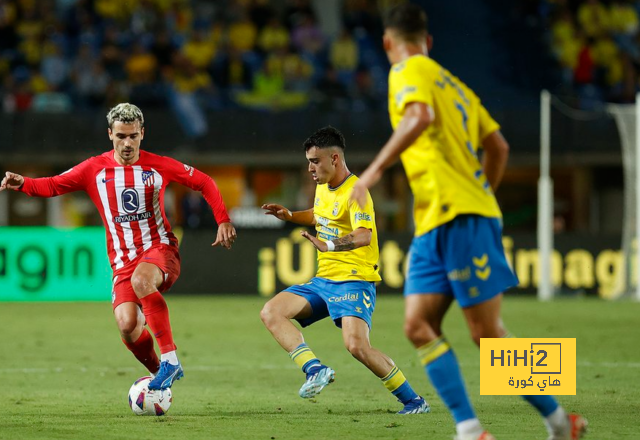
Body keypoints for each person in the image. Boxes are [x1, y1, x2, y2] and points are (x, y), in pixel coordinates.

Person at [350, 4, 587, 440]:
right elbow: (498, 148)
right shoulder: (458, 87)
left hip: (459, 217)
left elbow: (419, 117)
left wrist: (373, 171)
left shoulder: (407, 70)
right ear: (430, 40)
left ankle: (560, 420)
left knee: (487, 334)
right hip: (437, 221)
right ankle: (470, 430)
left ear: (388, 43)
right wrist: (484, 192)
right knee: (417, 325)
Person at [0, 103, 237, 390]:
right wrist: (24, 182)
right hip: (123, 262)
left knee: (142, 280)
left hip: (160, 250)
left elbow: (204, 182)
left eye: (133, 136)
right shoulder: (93, 169)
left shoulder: (159, 165)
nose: (127, 143)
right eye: (121, 136)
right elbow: (53, 185)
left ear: (142, 134)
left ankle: (171, 359)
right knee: (127, 326)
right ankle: (161, 373)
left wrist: (222, 219)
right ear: (110, 134)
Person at [260, 126, 429, 415]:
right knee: (271, 312)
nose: (310, 168)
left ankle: (414, 401)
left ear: (335, 158)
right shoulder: (323, 185)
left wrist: (329, 245)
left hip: (353, 279)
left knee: (357, 347)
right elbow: (318, 214)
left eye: (315, 161)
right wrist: (290, 215)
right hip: (323, 280)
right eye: (308, 162)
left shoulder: (357, 192)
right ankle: (315, 369)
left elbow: (364, 235)